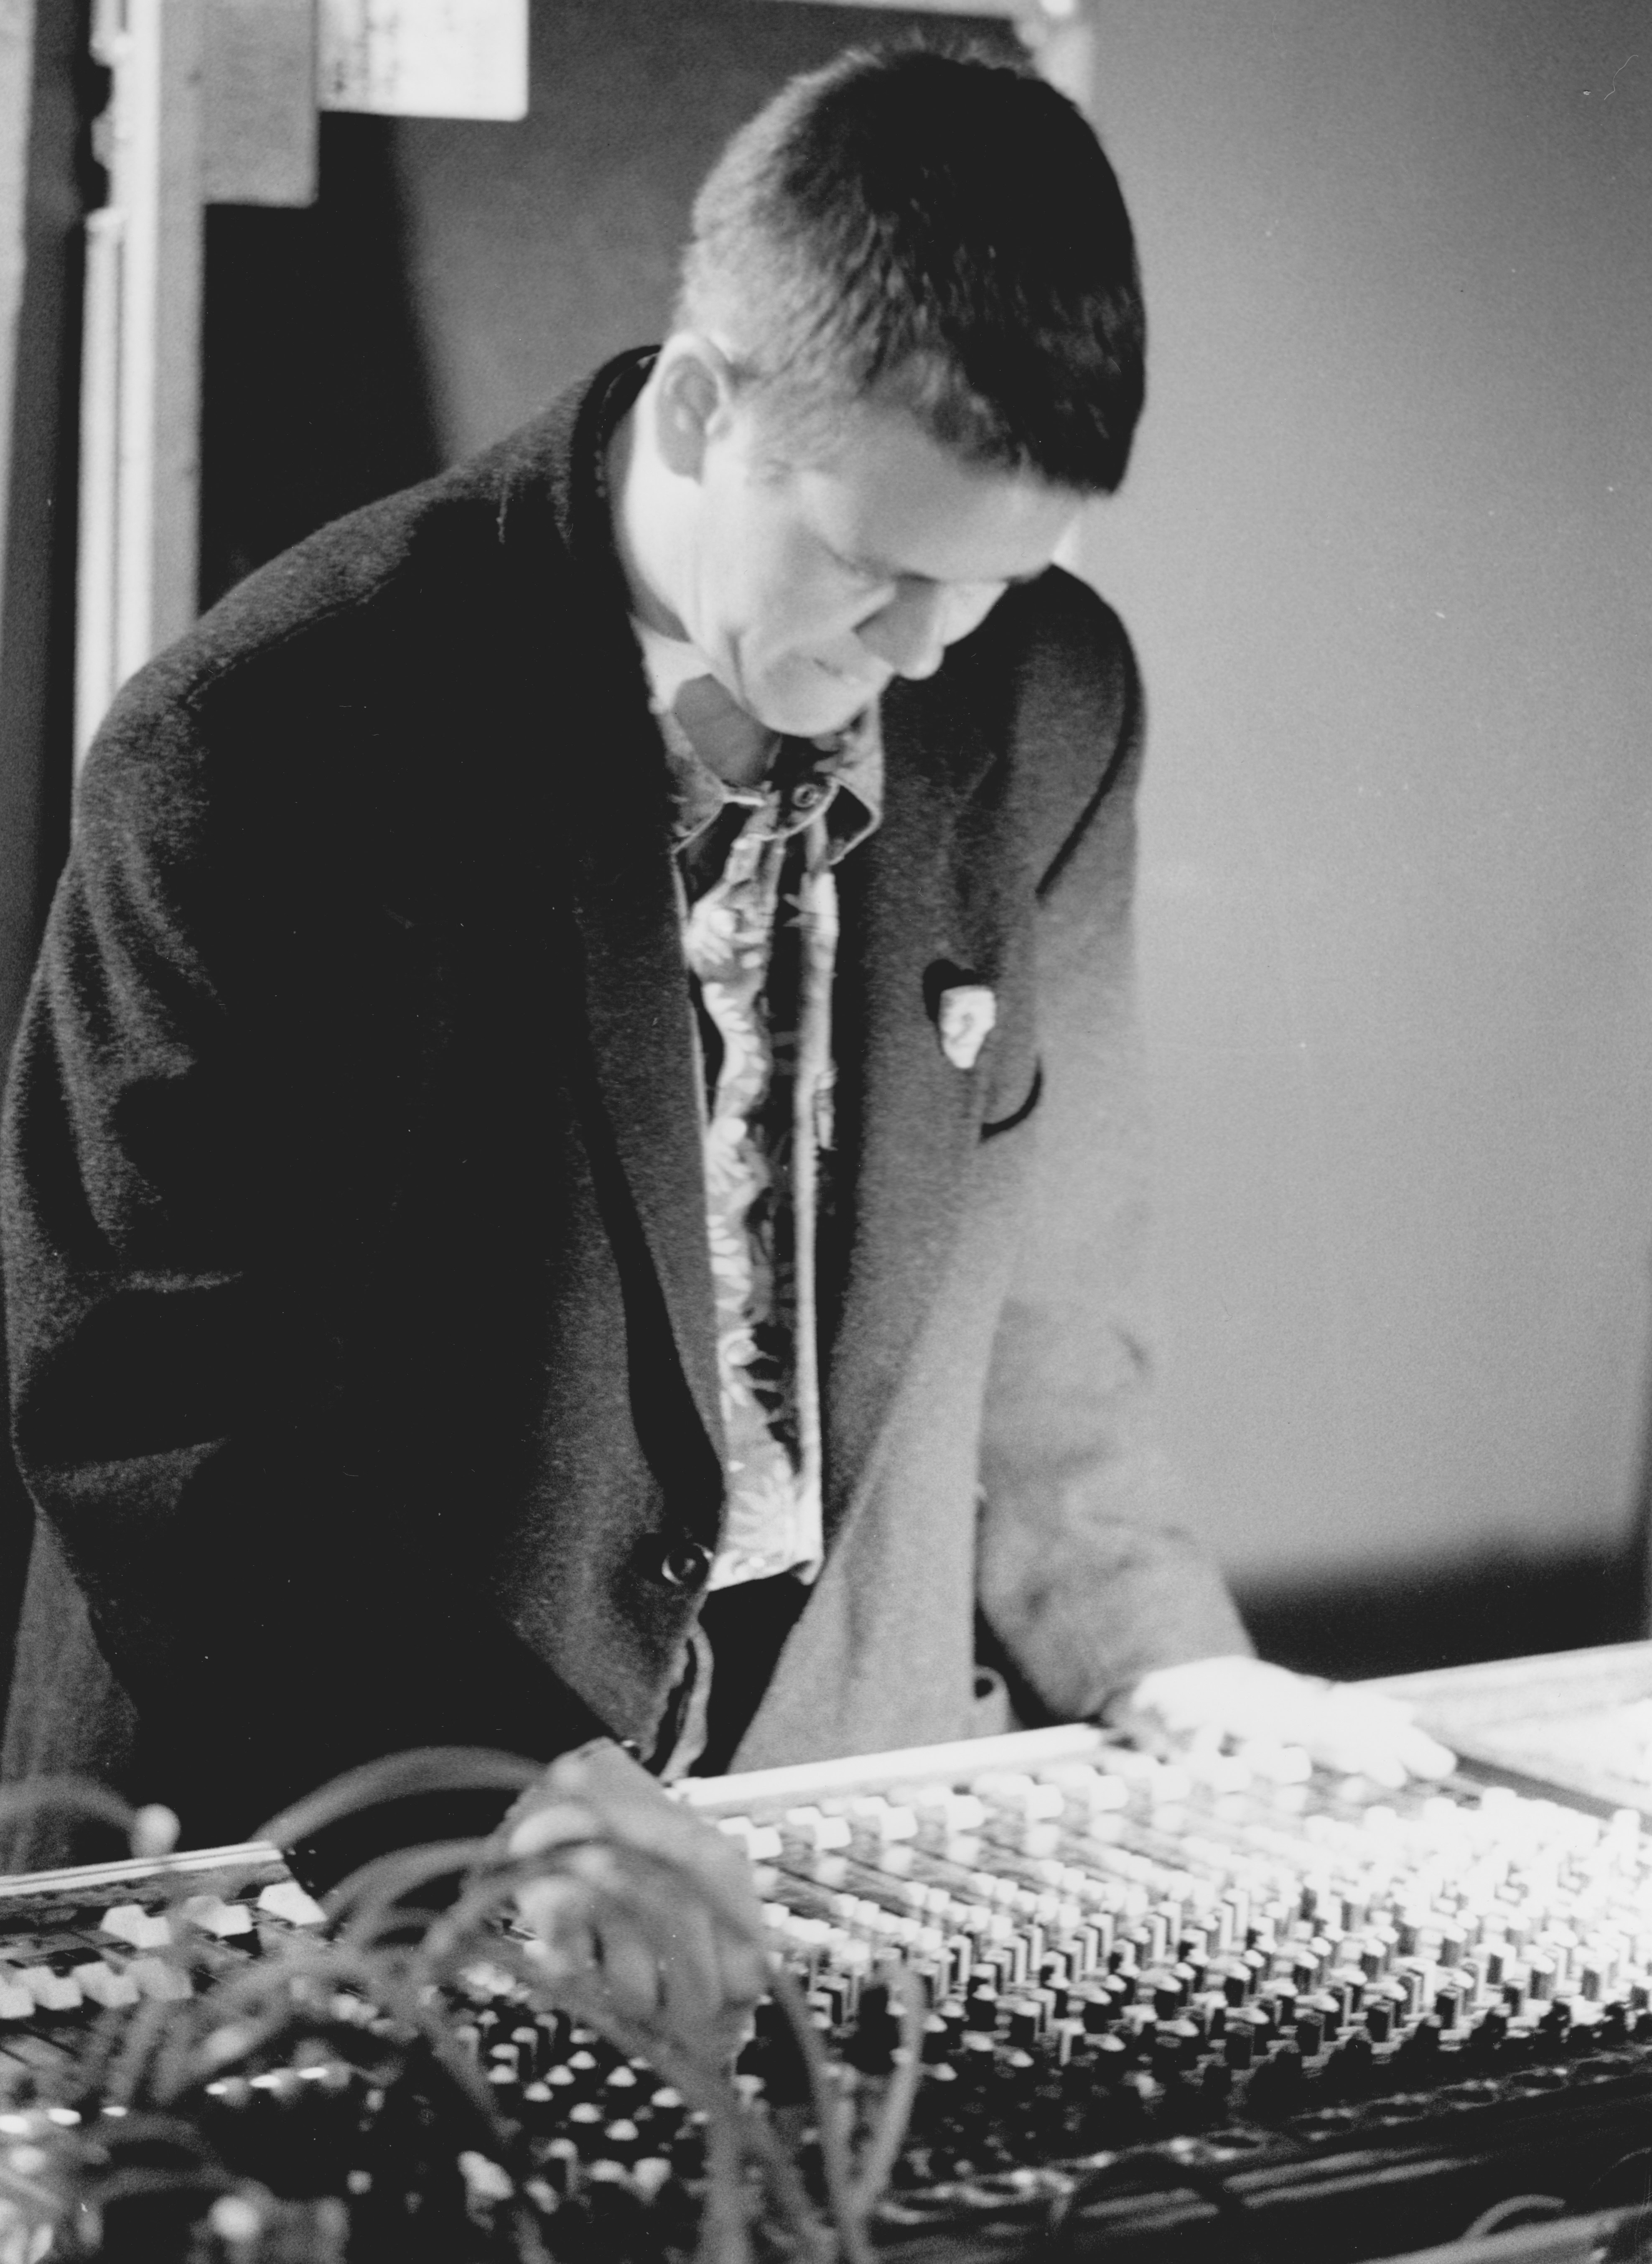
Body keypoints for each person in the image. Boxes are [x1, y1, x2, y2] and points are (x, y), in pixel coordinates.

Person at [0, 45, 1447, 2051]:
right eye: (877, 566)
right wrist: (496, 1787)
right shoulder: (265, 734)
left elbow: (1039, 1282)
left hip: (805, 1814)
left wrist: (1152, 1648)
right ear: (700, 405)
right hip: (316, 1847)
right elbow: (158, 1402)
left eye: (994, 577)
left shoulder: (1046, 696)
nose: (929, 647)